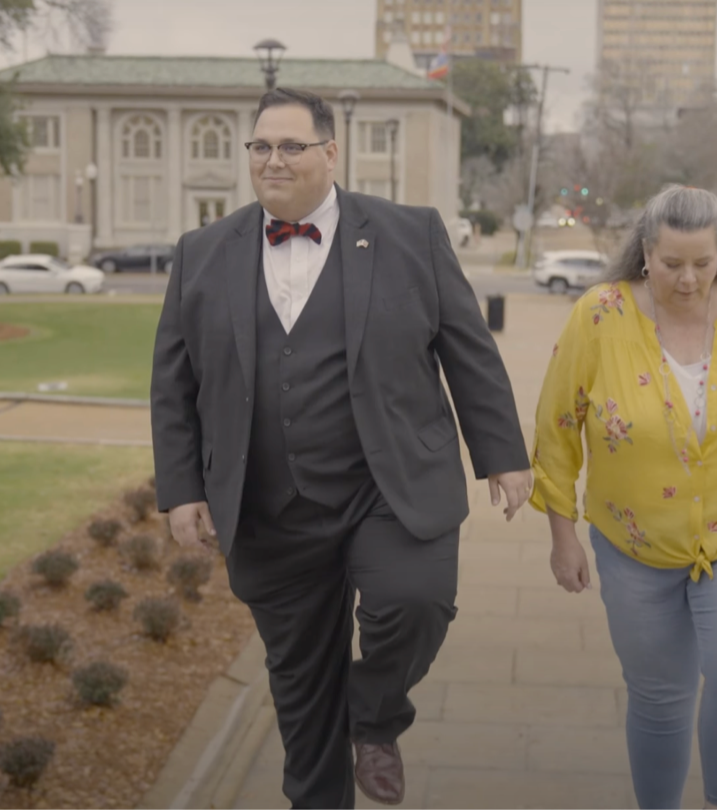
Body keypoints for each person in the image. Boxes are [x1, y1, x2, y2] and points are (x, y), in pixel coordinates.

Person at [150, 87, 532, 810]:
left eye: (291, 145)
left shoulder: (410, 234)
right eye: (260, 146)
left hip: (389, 489)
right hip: (269, 508)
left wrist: (503, 453)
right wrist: (181, 489)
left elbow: (468, 351)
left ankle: (377, 713)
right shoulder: (202, 253)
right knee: (301, 694)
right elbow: (174, 383)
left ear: (331, 153)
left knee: (414, 603)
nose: (272, 159)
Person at [529, 186, 717, 811]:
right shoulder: (599, 315)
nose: (688, 279)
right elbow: (558, 427)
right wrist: (562, 537)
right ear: (645, 253)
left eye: (703, 262)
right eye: (672, 264)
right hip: (634, 538)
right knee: (659, 694)